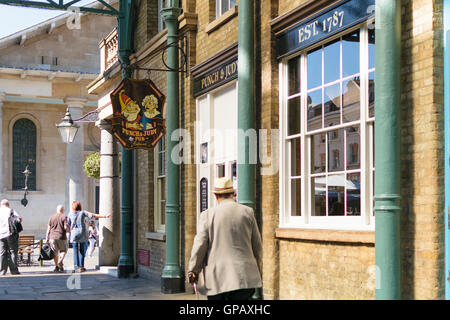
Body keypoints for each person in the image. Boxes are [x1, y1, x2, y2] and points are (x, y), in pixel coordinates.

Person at [187, 177, 263, 300]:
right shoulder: (248, 212)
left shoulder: (207, 215)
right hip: (244, 275)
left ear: (216, 196)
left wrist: (193, 270)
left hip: (217, 279)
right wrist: (257, 270)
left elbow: (200, 245)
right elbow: (257, 247)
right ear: (233, 194)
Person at [67, 201, 110, 273]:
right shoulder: (83, 212)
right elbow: (93, 215)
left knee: (75, 251)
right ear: (79, 206)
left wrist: (69, 233)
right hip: (82, 233)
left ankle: (76, 267)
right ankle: (81, 266)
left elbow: (68, 224)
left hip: (74, 233)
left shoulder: (70, 214)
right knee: (82, 250)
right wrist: (104, 216)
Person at [0, 199, 22, 275]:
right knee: (13, 251)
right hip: (10, 233)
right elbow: (19, 219)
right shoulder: (11, 210)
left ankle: (2, 271)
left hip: (1, 235)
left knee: (2, 252)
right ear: (8, 204)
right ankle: (14, 270)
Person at [45, 205, 70, 272]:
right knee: (63, 250)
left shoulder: (51, 217)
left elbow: (48, 228)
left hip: (52, 237)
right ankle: (60, 261)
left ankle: (57, 266)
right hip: (61, 236)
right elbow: (65, 227)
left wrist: (47, 237)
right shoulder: (64, 217)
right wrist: (69, 230)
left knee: (55, 253)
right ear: (62, 210)